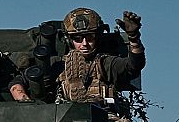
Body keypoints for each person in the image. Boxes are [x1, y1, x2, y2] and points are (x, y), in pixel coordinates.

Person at [8, 7, 145, 103]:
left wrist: (133, 38)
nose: (84, 43)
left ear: (97, 37)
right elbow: (17, 83)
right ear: (69, 40)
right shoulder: (57, 64)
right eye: (78, 39)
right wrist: (26, 102)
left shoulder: (105, 63)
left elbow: (133, 66)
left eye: (89, 38)